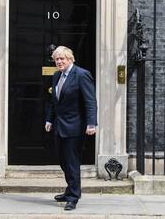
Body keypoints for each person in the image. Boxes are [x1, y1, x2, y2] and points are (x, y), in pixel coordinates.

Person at [45, 46, 97, 211]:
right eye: (57, 59)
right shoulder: (56, 75)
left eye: (62, 59)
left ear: (70, 59)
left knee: (72, 162)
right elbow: (55, 101)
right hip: (59, 126)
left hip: (75, 127)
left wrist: (91, 123)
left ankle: (73, 196)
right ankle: (70, 190)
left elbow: (90, 101)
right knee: (62, 161)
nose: (59, 62)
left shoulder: (81, 75)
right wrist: (49, 119)